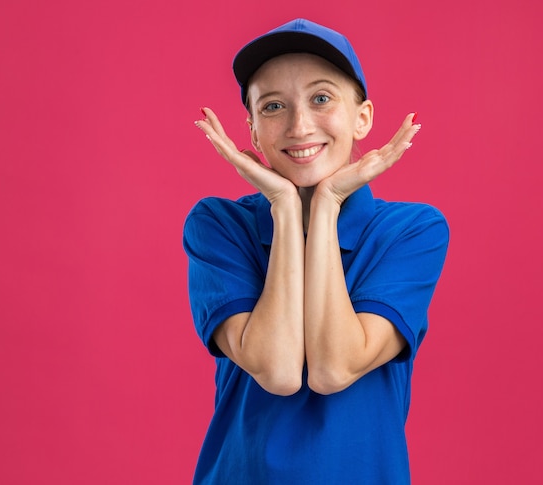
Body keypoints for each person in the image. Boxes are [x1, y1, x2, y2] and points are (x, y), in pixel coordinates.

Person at [184, 18, 449, 484]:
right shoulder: (218, 226)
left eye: (321, 98)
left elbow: (332, 368)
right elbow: (278, 370)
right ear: (251, 131)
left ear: (362, 117)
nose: (299, 125)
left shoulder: (411, 230)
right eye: (273, 106)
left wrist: (325, 206)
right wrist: (285, 207)